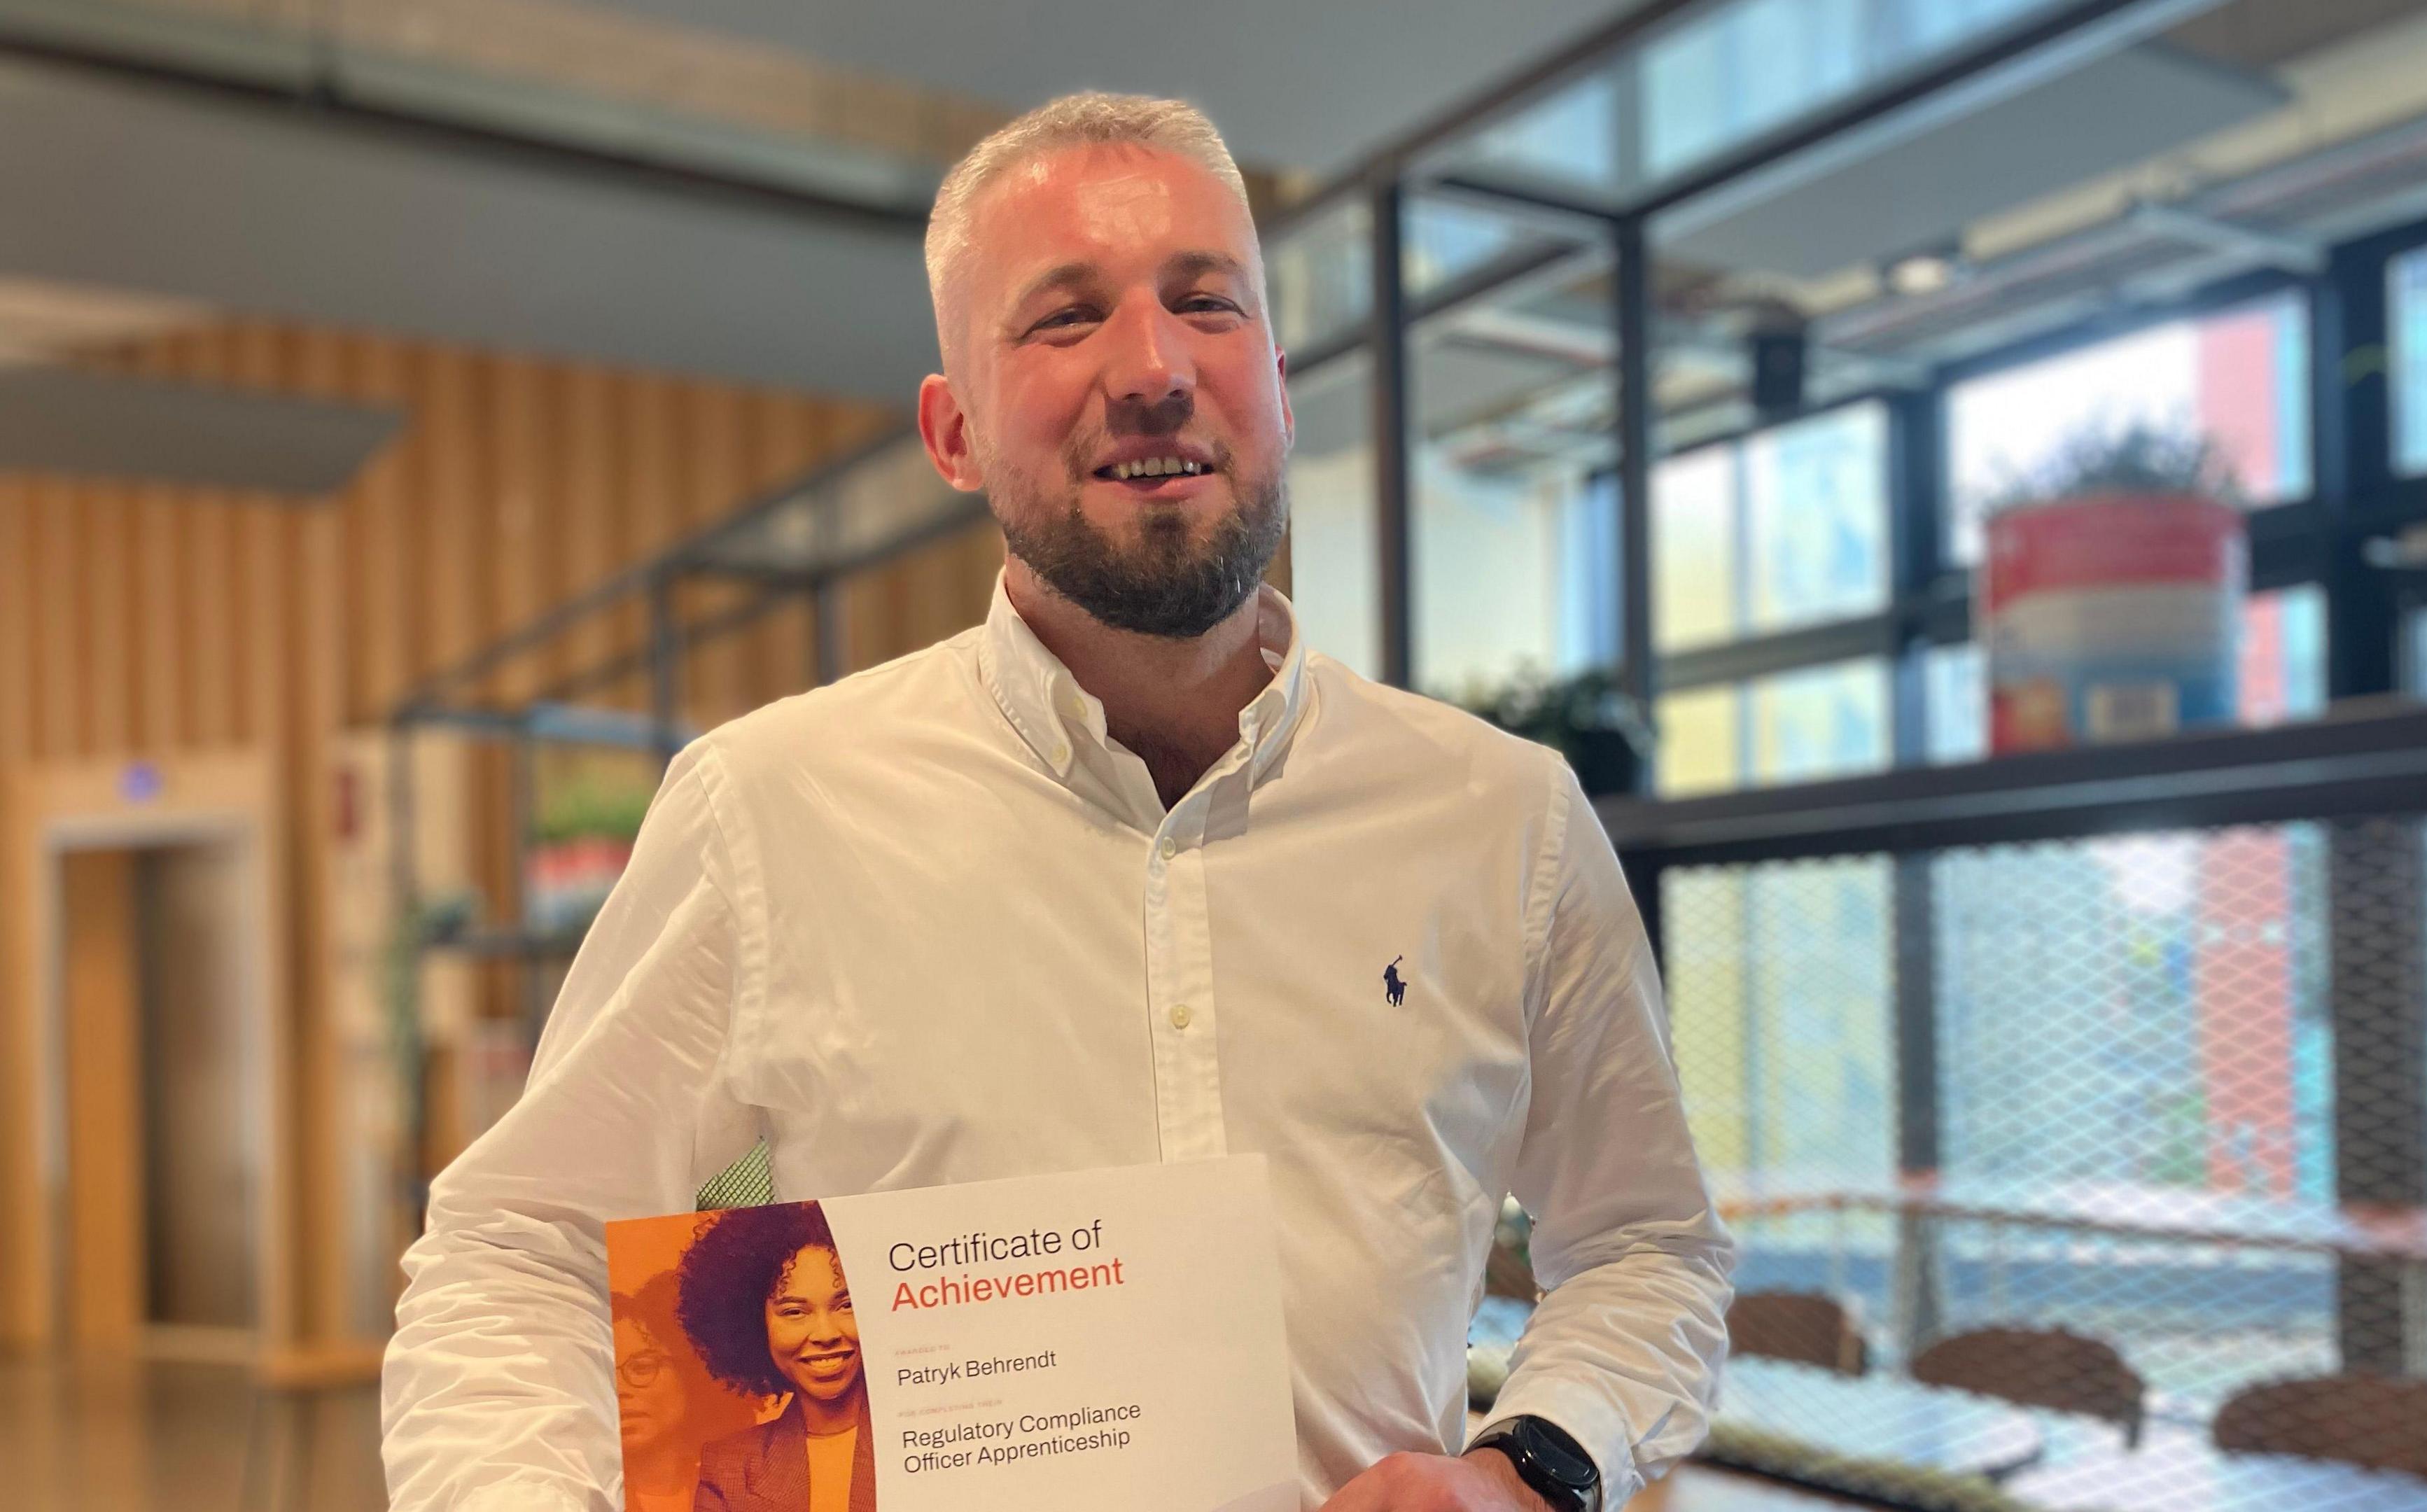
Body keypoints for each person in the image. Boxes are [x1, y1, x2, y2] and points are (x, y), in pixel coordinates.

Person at [382, 91, 1733, 1512]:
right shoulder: (765, 815)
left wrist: (1530, 1466)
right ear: (953, 429)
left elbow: (1650, 1247)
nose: (1152, 368)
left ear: (1276, 380)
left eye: (1205, 303)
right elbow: (522, 1256)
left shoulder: (1502, 820)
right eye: (1066, 318)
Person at [677, 1204, 870, 1512]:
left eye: (846, 1305)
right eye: (794, 1312)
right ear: (753, 1323)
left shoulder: (932, 1430)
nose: (826, 1333)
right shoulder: (730, 1468)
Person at [613, 1273, 764, 1512]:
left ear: (687, 1373)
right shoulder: (575, 1495)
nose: (620, 1390)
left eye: (642, 1367)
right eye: (605, 1375)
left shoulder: (740, 1491)